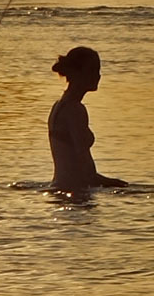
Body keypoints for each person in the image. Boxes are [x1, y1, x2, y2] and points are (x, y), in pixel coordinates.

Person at [48, 46, 127, 190]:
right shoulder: (75, 110)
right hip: (77, 193)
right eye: (93, 70)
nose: (98, 76)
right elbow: (86, 172)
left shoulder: (58, 106)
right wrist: (117, 185)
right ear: (77, 73)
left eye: (98, 71)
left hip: (62, 188)